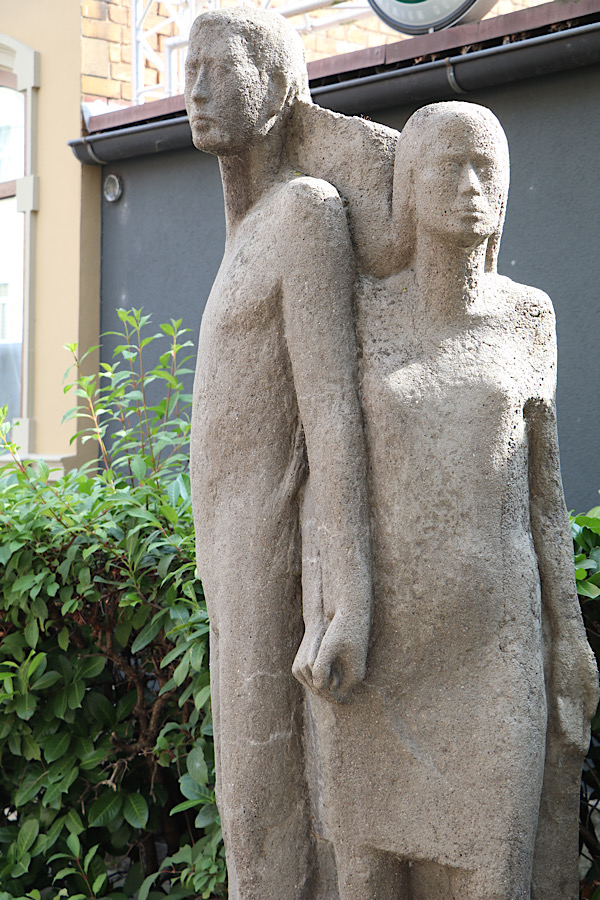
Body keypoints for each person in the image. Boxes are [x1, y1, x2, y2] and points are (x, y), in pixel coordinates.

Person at [302, 101, 599, 899]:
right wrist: (324, 606)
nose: (471, 186)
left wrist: (569, 638)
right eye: (448, 166)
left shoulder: (529, 316)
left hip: (497, 645)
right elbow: (323, 473)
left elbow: (545, 499)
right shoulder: (362, 311)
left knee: (498, 868)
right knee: (368, 875)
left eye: (487, 169)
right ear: (407, 184)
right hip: (380, 649)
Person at [185, 9, 374, 898]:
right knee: (247, 799)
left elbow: (333, 410)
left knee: (265, 798)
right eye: (188, 69)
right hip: (228, 561)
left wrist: (351, 596)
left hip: (270, 554)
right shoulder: (245, 230)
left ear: (276, 87)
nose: (194, 90)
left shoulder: (305, 212)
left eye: (218, 68)